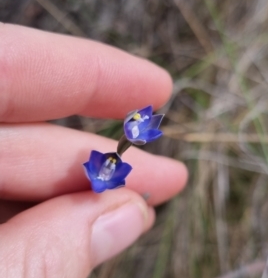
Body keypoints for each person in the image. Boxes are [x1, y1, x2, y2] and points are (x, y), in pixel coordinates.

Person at [0, 23, 187, 277]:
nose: (110, 164)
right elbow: (99, 167)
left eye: (140, 123)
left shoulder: (116, 171)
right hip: (97, 178)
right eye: (137, 121)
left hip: (104, 181)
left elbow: (112, 170)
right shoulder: (99, 165)